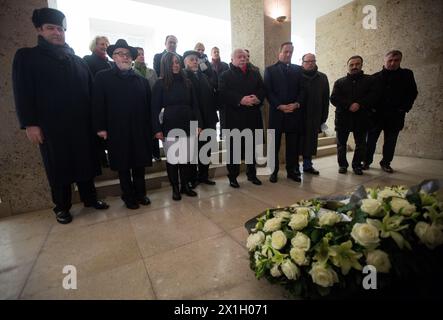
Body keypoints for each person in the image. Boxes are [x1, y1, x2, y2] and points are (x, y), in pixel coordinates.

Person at [12, 8, 109, 224]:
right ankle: (62, 207)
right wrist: (30, 124)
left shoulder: (77, 61)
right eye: (50, 28)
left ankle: (90, 199)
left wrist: (97, 123)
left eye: (60, 29)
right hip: (52, 127)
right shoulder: (27, 57)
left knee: (86, 163)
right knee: (59, 167)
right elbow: (22, 92)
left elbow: (92, 95)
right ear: (39, 30)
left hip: (82, 125)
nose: (57, 33)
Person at [93, 39, 153, 210]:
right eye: (120, 54)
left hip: (139, 129)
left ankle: (141, 194)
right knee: (124, 166)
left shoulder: (141, 80)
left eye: (128, 55)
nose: (125, 57)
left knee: (139, 164)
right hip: (117, 130)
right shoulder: (103, 77)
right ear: (113, 57)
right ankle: (128, 196)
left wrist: (150, 127)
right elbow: (98, 104)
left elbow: (148, 106)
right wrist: (101, 127)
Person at [151, 52, 202, 201]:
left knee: (186, 159)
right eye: (172, 63)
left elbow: (195, 105)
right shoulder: (159, 84)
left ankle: (185, 186)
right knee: (173, 159)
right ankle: (175, 188)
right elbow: (154, 109)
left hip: (187, 123)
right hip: (169, 125)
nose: (176, 65)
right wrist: (157, 129)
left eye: (177, 62)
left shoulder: (187, 82)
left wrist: (198, 124)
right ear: (165, 65)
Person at [364, 50, 418, 173]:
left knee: (390, 142)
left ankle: (386, 163)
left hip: (395, 116)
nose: (393, 63)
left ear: (400, 61)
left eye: (396, 60)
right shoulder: (374, 77)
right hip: (375, 117)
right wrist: (370, 111)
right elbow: (369, 97)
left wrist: (404, 108)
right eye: (390, 60)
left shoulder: (407, 75)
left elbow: (412, 93)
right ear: (385, 61)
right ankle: (366, 161)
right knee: (370, 141)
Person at [219, 49, 265, 188]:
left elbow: (262, 89)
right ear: (232, 59)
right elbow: (223, 93)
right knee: (234, 150)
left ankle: (252, 174)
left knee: (252, 148)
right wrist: (240, 99)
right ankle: (233, 177)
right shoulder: (225, 75)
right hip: (234, 118)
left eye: (245, 56)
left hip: (252, 117)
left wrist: (258, 98)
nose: (243, 59)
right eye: (239, 57)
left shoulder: (255, 73)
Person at [264, 42, 305, 183]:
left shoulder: (299, 70)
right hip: (277, 113)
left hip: (294, 113)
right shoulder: (269, 70)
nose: (288, 54)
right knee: (273, 144)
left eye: (291, 52)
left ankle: (292, 171)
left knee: (292, 145)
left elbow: (303, 90)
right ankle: (273, 171)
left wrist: (296, 104)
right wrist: (280, 106)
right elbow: (268, 92)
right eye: (286, 51)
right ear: (279, 52)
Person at [330, 55, 375, 175]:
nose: (354, 67)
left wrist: (359, 104)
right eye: (351, 65)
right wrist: (349, 105)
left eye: (357, 64)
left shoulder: (370, 80)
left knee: (360, 144)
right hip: (343, 118)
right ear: (348, 66)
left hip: (362, 118)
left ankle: (357, 165)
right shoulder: (339, 82)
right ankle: (342, 165)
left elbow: (373, 96)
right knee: (341, 144)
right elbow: (334, 98)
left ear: (361, 65)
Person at [183, 50, 219, 187]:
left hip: (209, 118)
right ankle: (192, 179)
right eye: (191, 59)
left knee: (206, 149)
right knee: (193, 151)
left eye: (196, 59)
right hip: (193, 120)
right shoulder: (184, 76)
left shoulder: (204, 76)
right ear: (185, 62)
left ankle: (203, 176)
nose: (195, 62)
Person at [83, 36, 113, 168]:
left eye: (106, 44)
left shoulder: (110, 62)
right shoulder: (87, 60)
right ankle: (102, 159)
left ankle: (111, 157)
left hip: (110, 103)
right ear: (94, 45)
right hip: (96, 101)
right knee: (98, 133)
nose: (105, 46)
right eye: (102, 44)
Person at [300, 53, 330, 175]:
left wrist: (323, 117)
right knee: (297, 143)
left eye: (313, 61)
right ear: (302, 63)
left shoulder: (322, 77)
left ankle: (308, 166)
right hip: (299, 116)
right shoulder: (297, 76)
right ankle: (295, 167)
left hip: (314, 116)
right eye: (307, 61)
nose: (311, 63)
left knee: (311, 143)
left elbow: (325, 99)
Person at [133, 46, 161, 162]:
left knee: (154, 128)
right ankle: (145, 154)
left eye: (143, 53)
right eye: (139, 54)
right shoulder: (131, 71)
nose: (141, 55)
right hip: (138, 106)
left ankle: (156, 154)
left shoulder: (151, 71)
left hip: (152, 104)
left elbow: (157, 88)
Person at [210, 46, 229, 140]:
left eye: (218, 51)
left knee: (224, 116)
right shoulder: (208, 66)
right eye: (214, 52)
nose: (216, 53)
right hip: (212, 94)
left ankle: (223, 135)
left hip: (222, 94)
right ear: (211, 54)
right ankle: (212, 136)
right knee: (212, 116)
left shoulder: (225, 65)